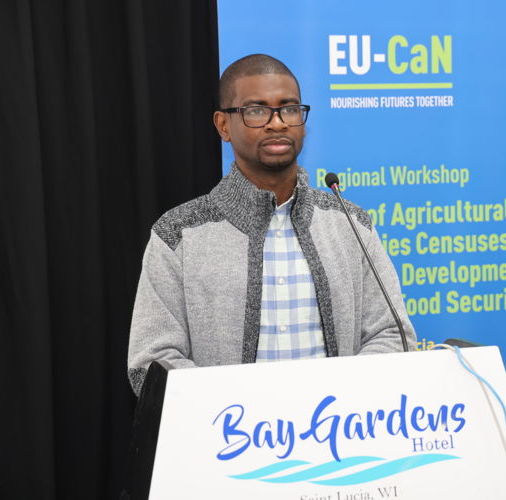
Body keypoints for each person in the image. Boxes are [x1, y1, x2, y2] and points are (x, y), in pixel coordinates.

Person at [127, 54, 415, 396]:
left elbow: (392, 334)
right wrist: (241, 410)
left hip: (339, 424)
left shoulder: (350, 223)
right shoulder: (179, 234)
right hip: (230, 427)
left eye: (289, 109)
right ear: (223, 125)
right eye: (256, 110)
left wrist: (344, 399)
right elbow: (151, 362)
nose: (277, 123)